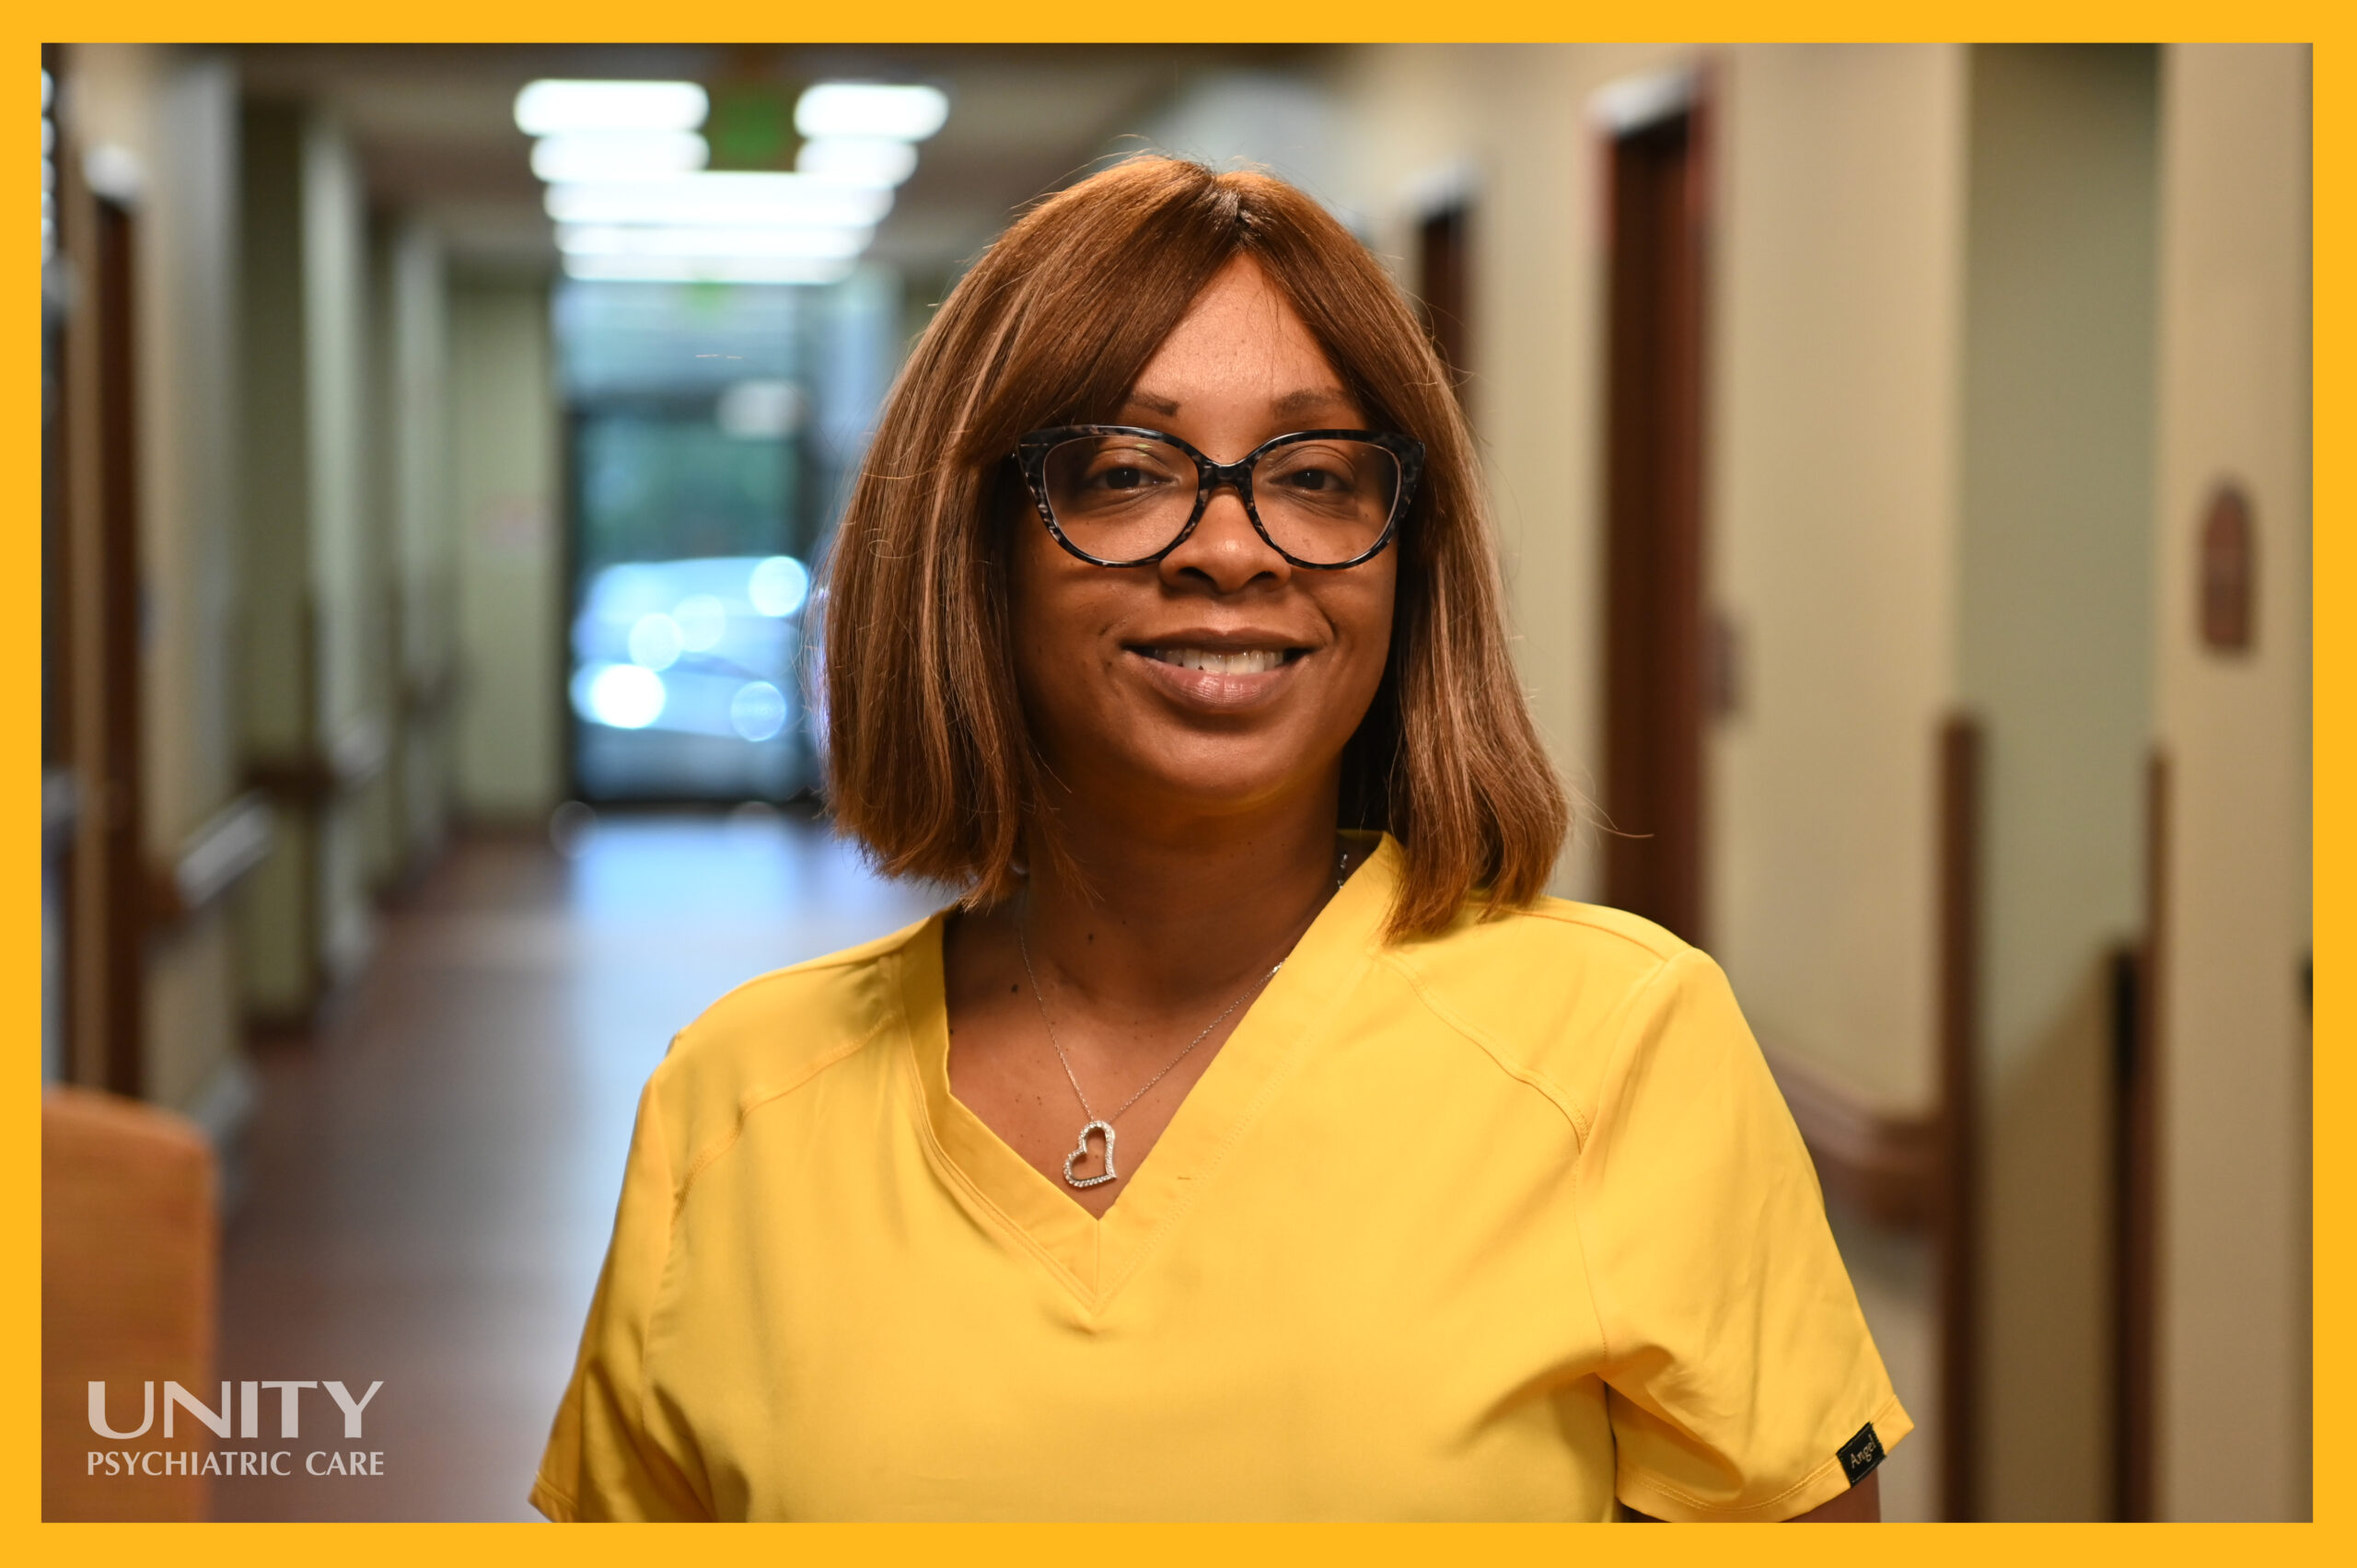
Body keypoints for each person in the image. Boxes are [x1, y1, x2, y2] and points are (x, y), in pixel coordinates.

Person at [531, 157, 1906, 1523]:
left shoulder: (1615, 1048)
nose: (1234, 549)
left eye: (1316, 476)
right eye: (1127, 472)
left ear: (1404, 557)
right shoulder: (739, 1104)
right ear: (976, 549)